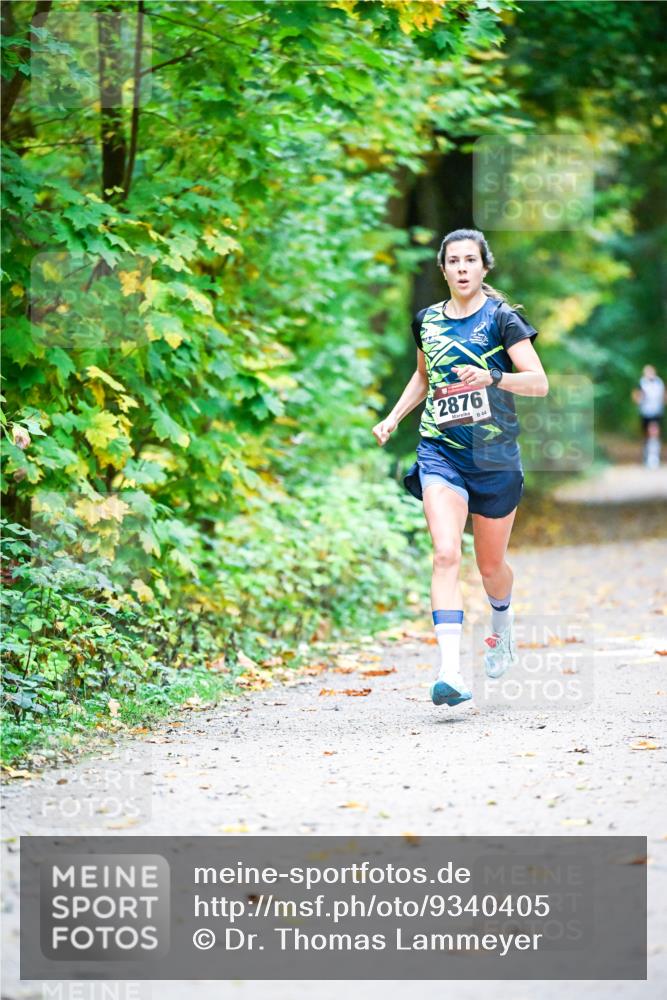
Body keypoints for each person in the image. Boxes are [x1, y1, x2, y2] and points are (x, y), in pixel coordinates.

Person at [372, 228, 548, 708]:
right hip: (440, 450)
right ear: (444, 268)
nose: (463, 268)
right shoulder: (426, 321)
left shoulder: (503, 319)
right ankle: (449, 670)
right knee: (446, 553)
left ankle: (502, 625)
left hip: (494, 457)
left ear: (484, 267)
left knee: (490, 567)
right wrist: (393, 418)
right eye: (454, 261)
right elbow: (423, 377)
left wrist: (492, 376)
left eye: (471, 260)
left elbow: (539, 383)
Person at [631, 365, 665, 469]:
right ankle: (647, 456)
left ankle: (654, 457)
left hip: (657, 411)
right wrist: (640, 399)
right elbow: (636, 396)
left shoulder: (659, 382)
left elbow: (664, 395)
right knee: (646, 434)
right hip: (645, 412)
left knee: (654, 433)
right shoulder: (642, 383)